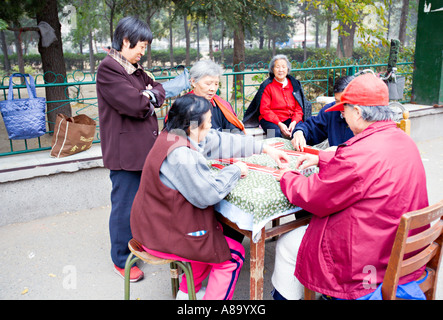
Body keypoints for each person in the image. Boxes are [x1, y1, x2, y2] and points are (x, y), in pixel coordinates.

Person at [271, 73, 428, 300]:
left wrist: (287, 177)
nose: (342, 116)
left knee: (287, 245)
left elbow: (313, 196)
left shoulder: (358, 154)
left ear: (358, 112)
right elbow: (364, 172)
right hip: (399, 246)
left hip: (367, 258)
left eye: (344, 110)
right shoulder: (403, 140)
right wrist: (322, 158)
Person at [130, 94, 289, 300]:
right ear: (194, 126)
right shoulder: (181, 154)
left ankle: (187, 293)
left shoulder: (173, 134)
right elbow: (208, 194)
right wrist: (234, 170)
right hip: (163, 235)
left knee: (214, 237)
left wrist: (264, 147)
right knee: (232, 255)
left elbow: (219, 140)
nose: (212, 126)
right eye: (209, 122)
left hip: (152, 225)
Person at [96, 16, 165, 282]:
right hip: (125, 153)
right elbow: (134, 105)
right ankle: (121, 259)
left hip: (142, 149)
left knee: (141, 204)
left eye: (145, 47)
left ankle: (139, 246)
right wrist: (146, 96)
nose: (142, 51)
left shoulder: (134, 68)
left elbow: (158, 90)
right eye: (140, 46)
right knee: (124, 206)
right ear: (125, 40)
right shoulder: (109, 69)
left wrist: (149, 94)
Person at [242, 54, 312, 138]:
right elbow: (265, 110)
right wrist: (279, 124)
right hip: (271, 120)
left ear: (287, 69)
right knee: (274, 133)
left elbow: (299, 108)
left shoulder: (294, 84)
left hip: (291, 119)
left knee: (301, 131)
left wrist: (294, 122)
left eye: (283, 67)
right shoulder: (267, 86)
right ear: (272, 69)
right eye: (277, 67)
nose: (280, 70)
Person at [291, 75, 355, 151]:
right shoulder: (331, 111)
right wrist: (300, 132)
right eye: (337, 101)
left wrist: (341, 151)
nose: (341, 107)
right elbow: (313, 127)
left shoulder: (367, 118)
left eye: (346, 102)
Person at [189, 59, 245, 134]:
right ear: (193, 82)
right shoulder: (184, 107)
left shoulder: (222, 105)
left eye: (216, 84)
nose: (213, 89)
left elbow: (234, 130)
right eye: (208, 84)